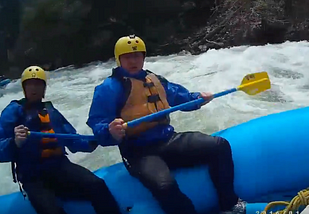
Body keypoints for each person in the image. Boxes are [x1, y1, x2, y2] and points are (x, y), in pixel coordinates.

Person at [86, 35, 246, 214]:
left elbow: (180, 97)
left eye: (137, 55)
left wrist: (198, 99)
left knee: (219, 146)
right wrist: (110, 132)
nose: (133, 60)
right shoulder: (108, 88)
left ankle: (229, 204)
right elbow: (97, 122)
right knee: (164, 185)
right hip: (139, 152)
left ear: (143, 57)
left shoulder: (155, 79)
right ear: (119, 59)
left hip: (167, 140)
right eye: (128, 57)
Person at [0, 66, 121, 214]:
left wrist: (96, 139)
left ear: (44, 89)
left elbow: (73, 140)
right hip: (33, 176)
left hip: (59, 167)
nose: (34, 88)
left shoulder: (52, 112)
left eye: (38, 84)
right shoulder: (12, 112)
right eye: (30, 84)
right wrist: (14, 142)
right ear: (24, 87)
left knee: (97, 185)